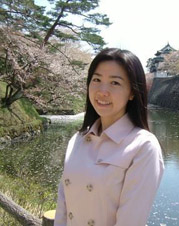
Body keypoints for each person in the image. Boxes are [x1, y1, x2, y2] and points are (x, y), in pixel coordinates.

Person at [54, 48, 164, 226]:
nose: (102, 91)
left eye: (115, 83)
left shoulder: (143, 147)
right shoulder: (78, 140)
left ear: (132, 92)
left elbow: (130, 222)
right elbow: (63, 209)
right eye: (97, 80)